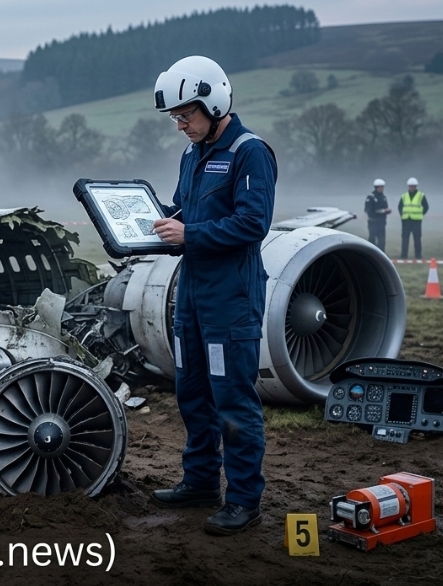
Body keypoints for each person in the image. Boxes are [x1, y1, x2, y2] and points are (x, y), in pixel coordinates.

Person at [150, 55, 277, 536]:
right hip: (192, 297)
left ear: (214, 102)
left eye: (186, 115)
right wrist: (144, 222)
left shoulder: (250, 152)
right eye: (175, 118)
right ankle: (200, 482)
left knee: (233, 400)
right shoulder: (191, 154)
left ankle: (244, 500)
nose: (180, 125)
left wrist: (190, 234)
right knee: (193, 393)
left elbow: (252, 224)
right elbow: (179, 211)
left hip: (230, 299)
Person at [398, 177, 428, 259]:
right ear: (408, 186)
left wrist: (420, 214)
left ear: (416, 186)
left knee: (417, 238)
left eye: (413, 186)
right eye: (410, 186)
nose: (412, 187)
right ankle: (404, 255)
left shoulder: (421, 195)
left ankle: (418, 255)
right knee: (405, 239)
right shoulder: (404, 196)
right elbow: (400, 207)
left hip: (416, 221)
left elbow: (426, 207)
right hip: (406, 220)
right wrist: (402, 215)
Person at [364, 179, 390, 251]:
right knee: (372, 239)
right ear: (376, 187)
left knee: (382, 240)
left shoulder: (383, 197)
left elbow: (385, 207)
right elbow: (369, 210)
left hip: (382, 222)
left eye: (382, 187)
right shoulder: (370, 197)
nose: (381, 188)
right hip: (373, 222)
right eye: (380, 187)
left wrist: (386, 211)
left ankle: (381, 254)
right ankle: (370, 253)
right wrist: (383, 211)